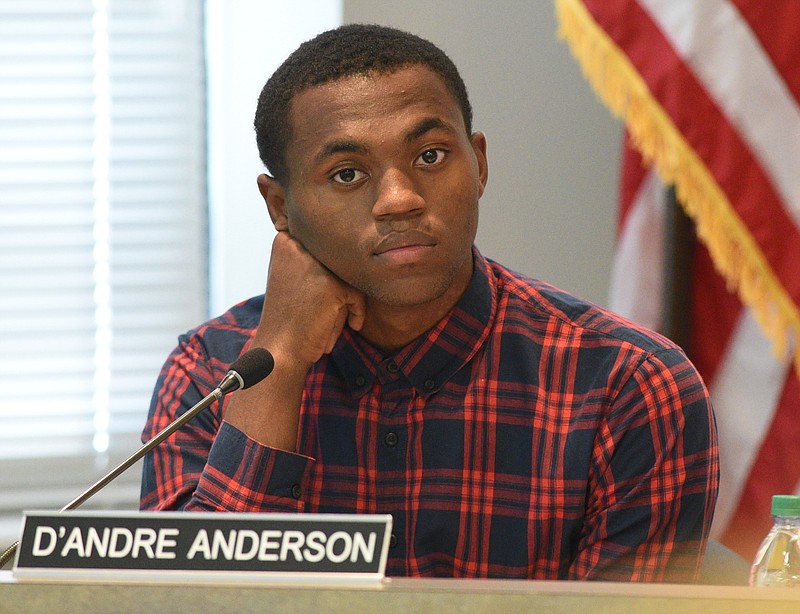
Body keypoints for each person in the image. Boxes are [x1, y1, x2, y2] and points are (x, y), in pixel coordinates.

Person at [141, 23, 719, 582]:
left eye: (431, 156)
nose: (400, 198)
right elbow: (191, 604)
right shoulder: (208, 373)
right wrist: (282, 357)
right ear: (279, 206)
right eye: (347, 173)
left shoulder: (628, 386)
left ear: (480, 164)